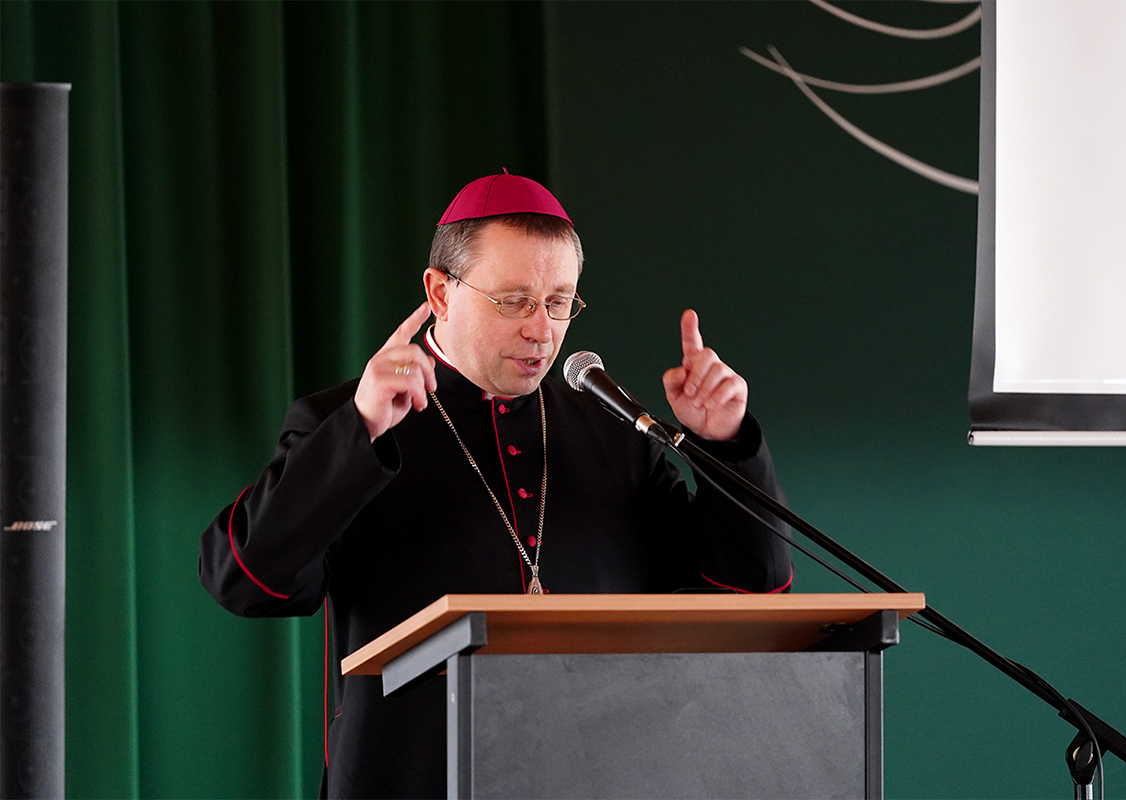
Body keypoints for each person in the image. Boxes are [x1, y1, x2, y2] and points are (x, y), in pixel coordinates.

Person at [199, 172, 793, 798]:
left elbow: (750, 587)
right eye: (514, 301)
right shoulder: (346, 422)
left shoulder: (614, 429)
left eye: (560, 302)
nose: (542, 330)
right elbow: (243, 580)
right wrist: (360, 429)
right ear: (441, 292)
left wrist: (725, 444)